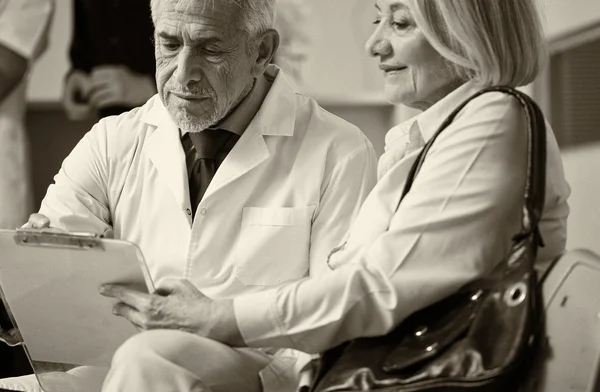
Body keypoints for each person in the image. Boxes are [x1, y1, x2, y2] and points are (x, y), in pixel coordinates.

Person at [95, 0, 571, 391]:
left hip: (408, 372)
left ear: (471, 34)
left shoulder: (492, 120)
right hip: (349, 365)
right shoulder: (423, 140)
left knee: (152, 359)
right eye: (377, 18)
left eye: (401, 23)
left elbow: (379, 287)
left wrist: (218, 317)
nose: (375, 43)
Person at [0, 0, 377, 391]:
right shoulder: (111, 142)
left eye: (210, 49)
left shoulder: (339, 152)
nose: (183, 75)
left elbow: (337, 316)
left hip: (262, 375)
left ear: (261, 52)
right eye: (169, 44)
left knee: (147, 359)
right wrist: (24, 282)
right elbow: (51, 281)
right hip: (117, 369)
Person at [62, 0, 157, 120]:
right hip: (111, 121)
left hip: (169, 119)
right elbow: (83, 43)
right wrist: (77, 74)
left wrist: (150, 86)